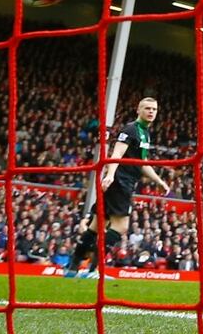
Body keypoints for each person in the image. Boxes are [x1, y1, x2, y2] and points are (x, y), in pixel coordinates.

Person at [66, 98, 170, 277]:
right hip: (121, 181)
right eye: (147, 108)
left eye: (154, 109)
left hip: (122, 180)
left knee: (96, 226)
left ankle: (72, 267)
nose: (151, 112)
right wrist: (111, 174)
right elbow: (117, 153)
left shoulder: (145, 133)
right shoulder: (130, 129)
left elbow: (142, 163)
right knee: (121, 226)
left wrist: (159, 181)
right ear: (138, 110)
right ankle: (94, 269)